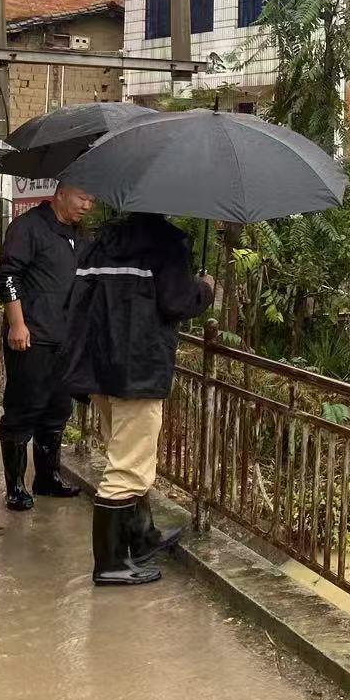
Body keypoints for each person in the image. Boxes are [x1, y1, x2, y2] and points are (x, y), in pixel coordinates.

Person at [61, 213, 213, 586]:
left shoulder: (102, 241)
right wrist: (205, 288)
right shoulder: (167, 243)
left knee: (129, 454)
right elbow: (177, 302)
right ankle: (109, 564)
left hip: (99, 366)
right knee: (128, 467)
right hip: (138, 370)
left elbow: (77, 300)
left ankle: (142, 536)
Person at [0, 184, 96, 510]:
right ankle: (16, 486)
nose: (87, 205)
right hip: (31, 336)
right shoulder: (28, 228)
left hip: (66, 339)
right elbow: (7, 276)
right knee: (24, 409)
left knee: (57, 411)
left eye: (91, 200)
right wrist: (17, 324)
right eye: (82, 197)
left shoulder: (80, 236)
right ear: (61, 193)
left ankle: (47, 477)